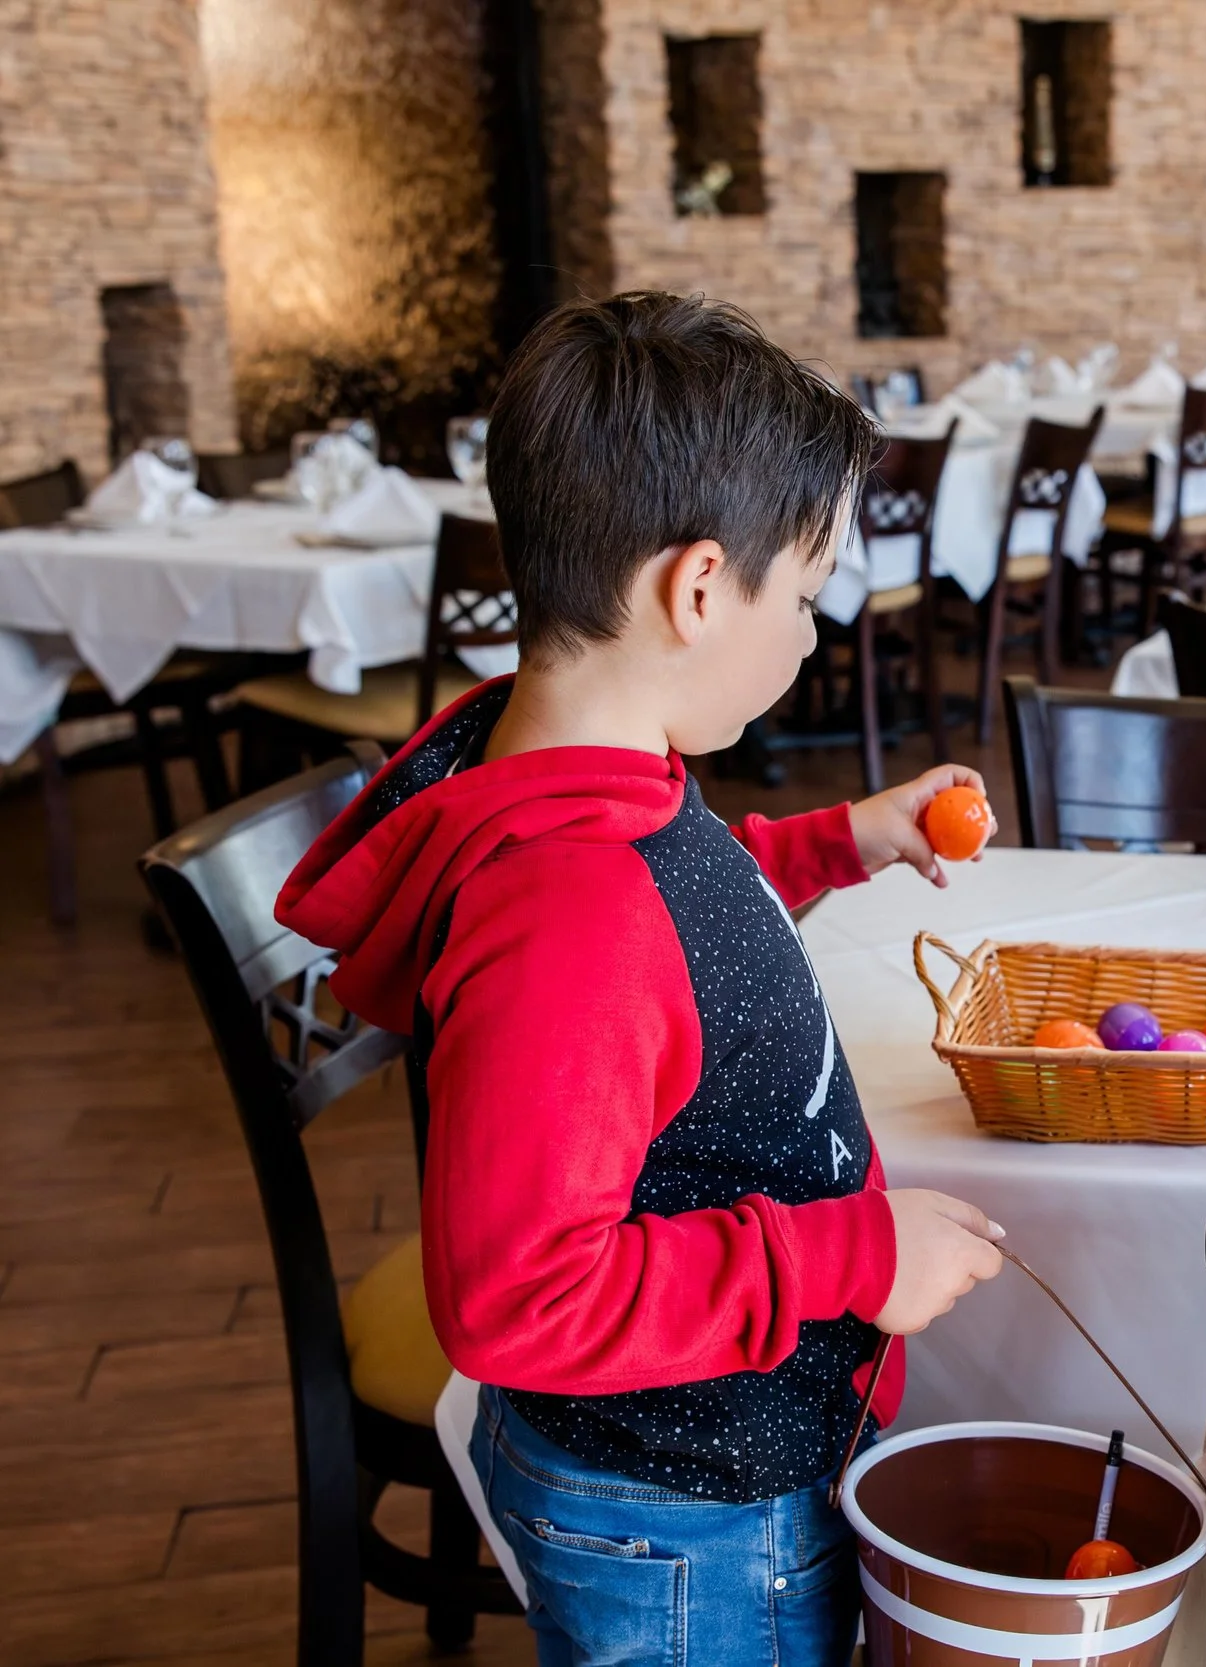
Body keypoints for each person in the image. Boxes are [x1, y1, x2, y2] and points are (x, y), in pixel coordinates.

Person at [276, 292, 1006, 1665]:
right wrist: (854, 1250)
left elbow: (687, 924)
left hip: (690, 1462)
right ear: (696, 588)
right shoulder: (567, 903)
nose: (805, 634)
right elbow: (514, 1296)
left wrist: (835, 841)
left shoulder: (572, 771)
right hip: (683, 1517)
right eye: (801, 594)